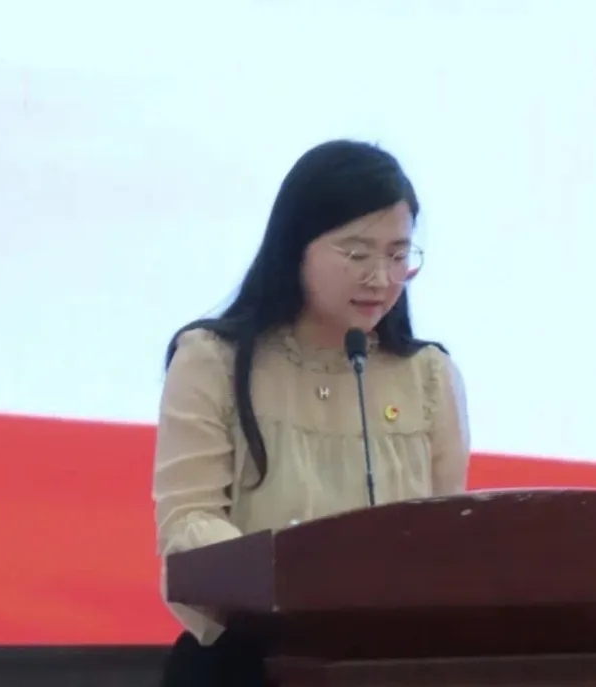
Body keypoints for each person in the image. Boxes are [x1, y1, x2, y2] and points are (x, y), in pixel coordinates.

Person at [153, 139, 471, 687]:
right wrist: (295, 578)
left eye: (398, 255)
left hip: (391, 666)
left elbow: (443, 539)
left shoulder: (428, 376)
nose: (381, 278)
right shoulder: (212, 360)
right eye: (357, 254)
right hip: (246, 665)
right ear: (296, 245)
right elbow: (188, 523)